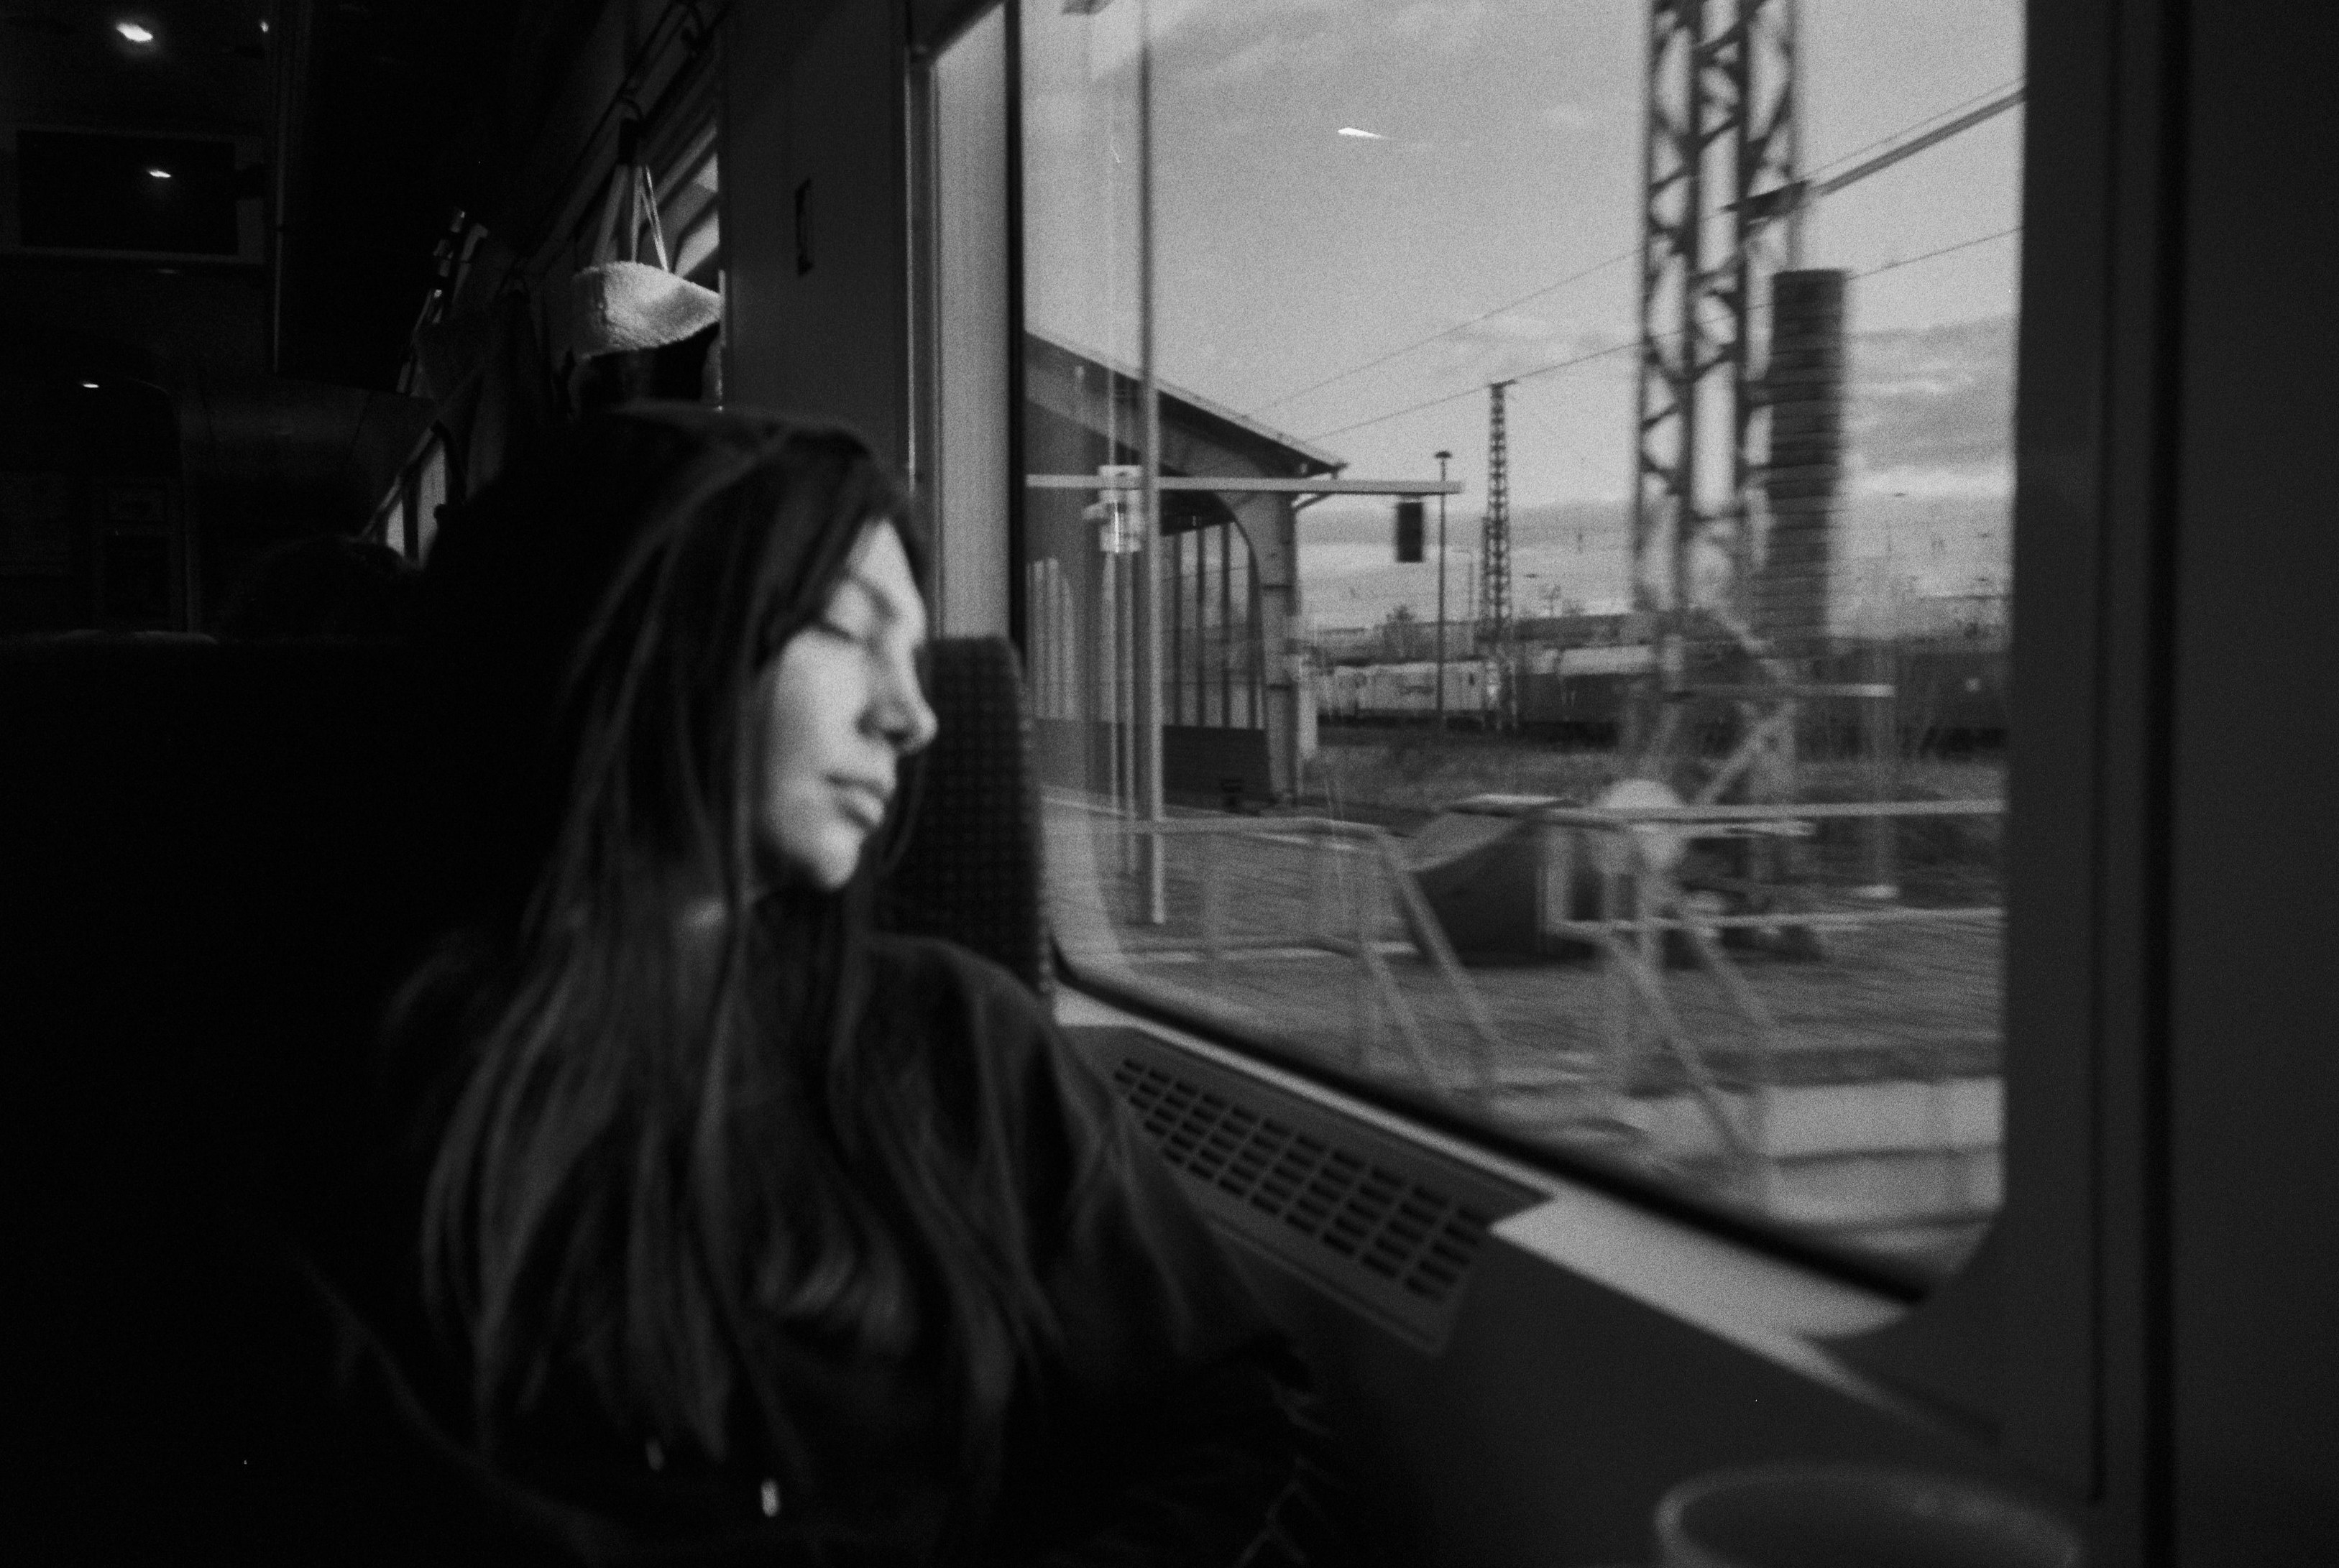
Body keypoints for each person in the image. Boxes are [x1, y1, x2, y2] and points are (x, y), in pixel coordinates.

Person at [226, 404, 1344, 1567]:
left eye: (913, 654)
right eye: (847, 630)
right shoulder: (354, 1102)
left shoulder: (962, 1043)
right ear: (644, 637)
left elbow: (1238, 1427)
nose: (914, 717)